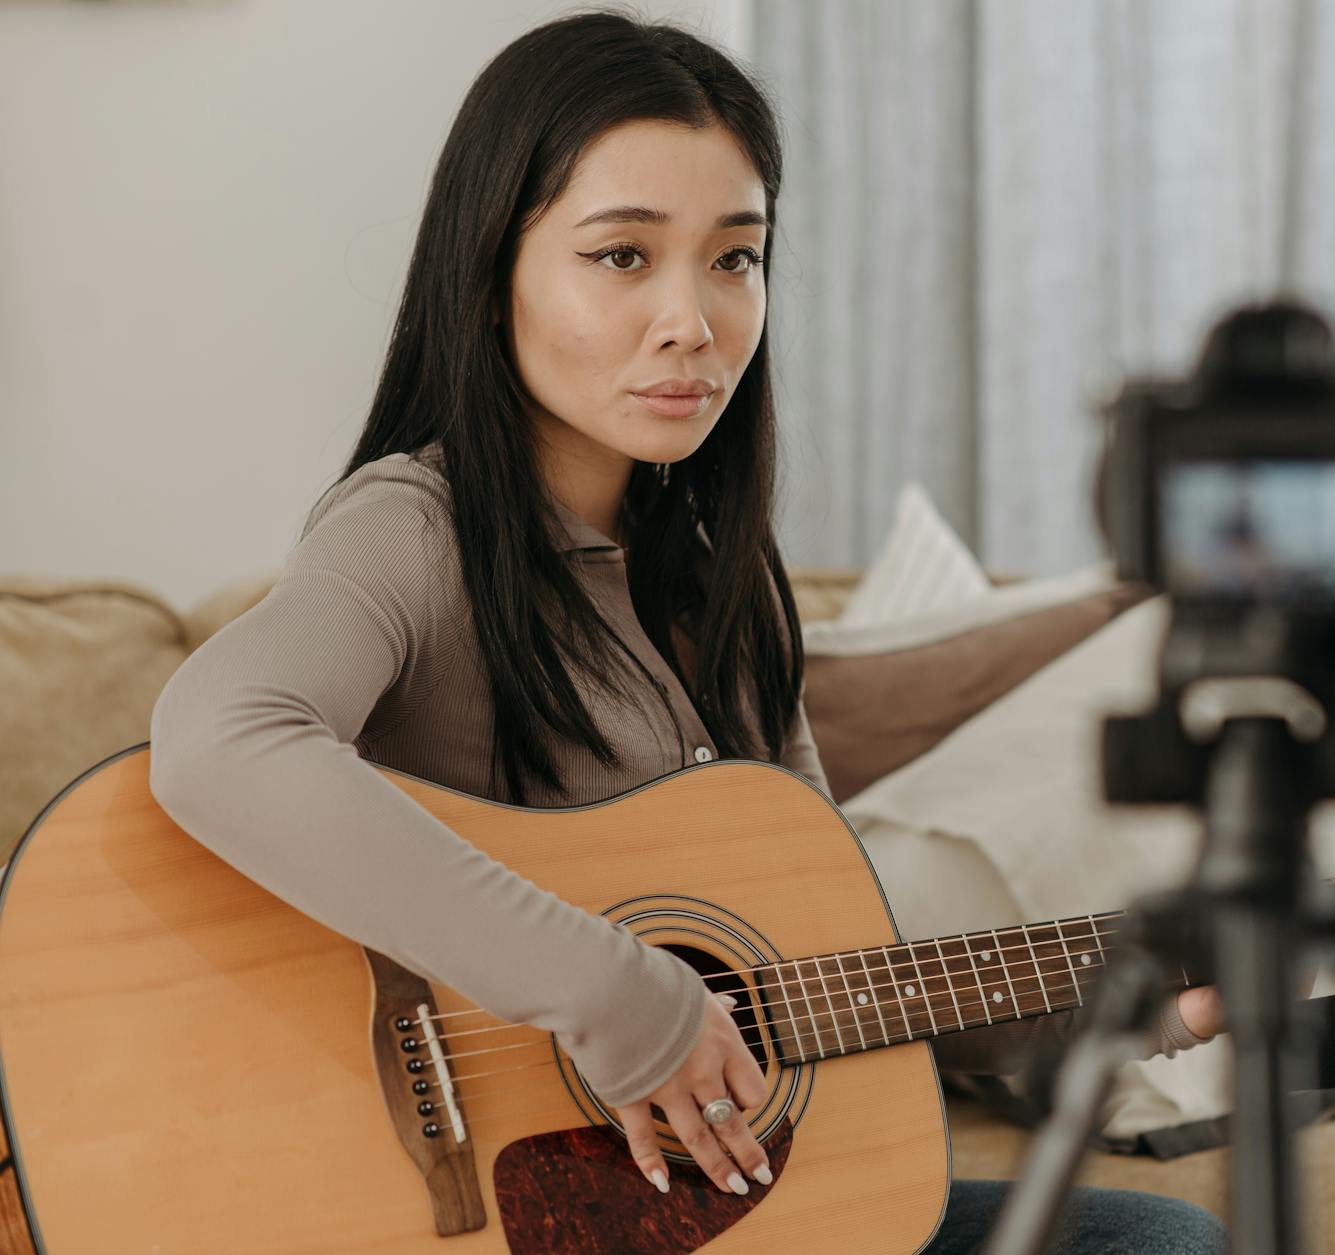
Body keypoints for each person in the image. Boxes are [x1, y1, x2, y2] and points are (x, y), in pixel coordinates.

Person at [148, 11, 1226, 1252]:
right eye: (620, 257)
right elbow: (218, 737)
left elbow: (837, 982)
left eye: (733, 258)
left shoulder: (725, 587)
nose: (694, 320)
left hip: (701, 1217)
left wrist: (1153, 999)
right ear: (490, 273)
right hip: (490, 1212)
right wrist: (617, 995)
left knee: (1158, 1240)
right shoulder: (413, 524)